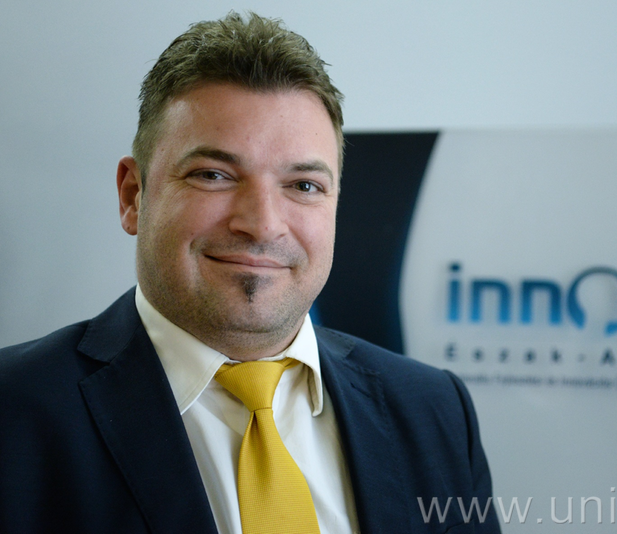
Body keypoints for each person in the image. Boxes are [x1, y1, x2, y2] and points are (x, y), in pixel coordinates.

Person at [0, 11, 499, 534]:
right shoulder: (14, 414)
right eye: (214, 175)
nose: (262, 224)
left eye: (303, 185)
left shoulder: (434, 412)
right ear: (133, 196)